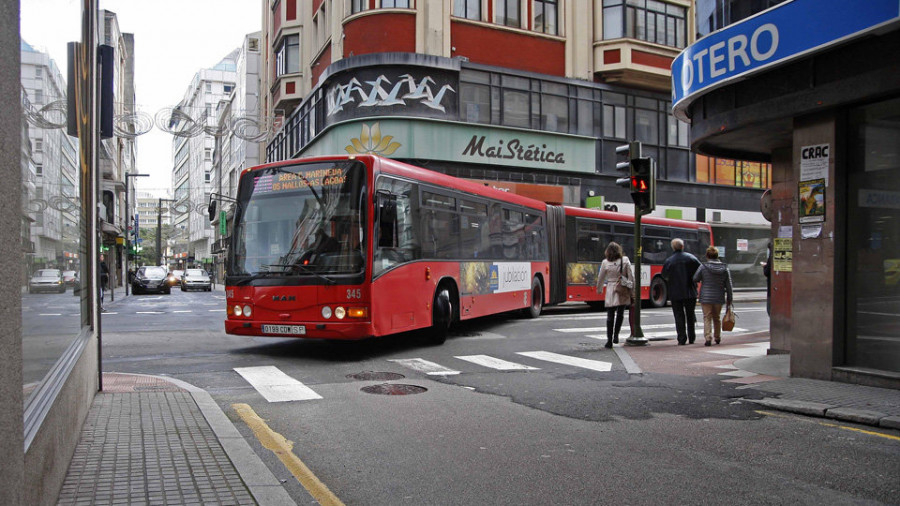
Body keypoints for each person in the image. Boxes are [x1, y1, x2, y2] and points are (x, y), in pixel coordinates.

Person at [661, 238, 701, 345]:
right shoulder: (691, 258)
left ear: (673, 248)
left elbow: (664, 275)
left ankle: (681, 338)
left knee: (678, 315)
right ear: (682, 246)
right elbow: (700, 270)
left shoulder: (669, 261)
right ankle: (692, 337)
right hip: (690, 291)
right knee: (690, 314)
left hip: (675, 291)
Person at [595, 242, 634, 349]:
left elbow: (601, 277)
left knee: (610, 315)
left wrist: (599, 289)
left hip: (610, 289)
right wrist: (632, 291)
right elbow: (631, 276)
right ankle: (616, 335)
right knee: (620, 313)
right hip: (621, 288)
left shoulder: (605, 262)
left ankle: (609, 340)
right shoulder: (625, 260)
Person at [693, 246, 734, 346]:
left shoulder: (703, 267)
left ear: (707, 256)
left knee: (707, 317)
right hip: (718, 296)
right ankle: (717, 337)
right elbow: (729, 285)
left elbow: (695, 278)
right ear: (717, 255)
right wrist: (730, 298)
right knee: (717, 317)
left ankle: (708, 338)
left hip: (706, 297)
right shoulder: (725, 268)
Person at [763, 241, 772, 316]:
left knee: (769, 309)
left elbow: (766, 272)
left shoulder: (771, 257)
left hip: (771, 287)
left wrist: (765, 266)